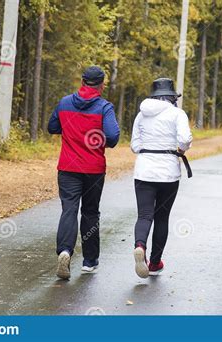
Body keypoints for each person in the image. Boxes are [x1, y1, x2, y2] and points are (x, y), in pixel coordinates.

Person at [48, 66, 120, 280]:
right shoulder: (104, 107)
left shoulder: (65, 102)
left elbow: (52, 127)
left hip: (68, 168)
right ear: (102, 84)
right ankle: (89, 262)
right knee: (90, 212)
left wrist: (71, 131)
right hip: (93, 170)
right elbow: (113, 137)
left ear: (82, 81)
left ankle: (64, 251)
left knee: (69, 209)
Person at [130, 78, 192, 279]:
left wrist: (148, 151)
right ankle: (155, 262)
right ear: (171, 97)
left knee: (144, 215)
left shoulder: (141, 115)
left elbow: (134, 145)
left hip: (144, 171)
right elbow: (184, 139)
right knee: (162, 217)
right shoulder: (177, 114)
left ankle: (140, 245)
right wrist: (179, 150)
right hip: (168, 173)